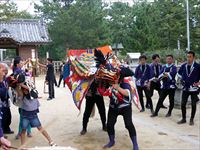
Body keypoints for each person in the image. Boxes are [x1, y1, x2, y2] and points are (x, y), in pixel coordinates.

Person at [104, 67, 139, 150]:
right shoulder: (109, 83)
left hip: (125, 107)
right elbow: (104, 91)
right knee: (109, 124)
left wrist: (118, 88)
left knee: (129, 124)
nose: (114, 78)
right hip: (113, 107)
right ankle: (111, 141)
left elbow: (127, 93)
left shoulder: (125, 83)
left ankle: (135, 144)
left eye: (116, 76)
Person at [17, 81, 56, 146]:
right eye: (24, 90)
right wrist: (19, 85)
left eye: (26, 90)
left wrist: (21, 84)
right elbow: (18, 90)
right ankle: (22, 145)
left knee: (40, 128)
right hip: (25, 116)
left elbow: (31, 88)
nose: (25, 91)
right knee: (23, 131)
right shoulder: (22, 96)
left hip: (33, 115)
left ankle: (50, 141)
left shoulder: (34, 94)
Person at [177, 51, 200, 125]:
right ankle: (183, 118)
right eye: (187, 56)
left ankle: (191, 119)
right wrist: (181, 79)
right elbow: (178, 73)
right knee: (183, 104)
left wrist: (199, 83)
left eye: (190, 57)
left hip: (193, 88)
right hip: (185, 88)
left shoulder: (197, 66)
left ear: (193, 57)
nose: (188, 58)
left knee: (193, 104)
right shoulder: (184, 65)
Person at [12, 57, 32, 139]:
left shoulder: (17, 70)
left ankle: (24, 132)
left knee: (23, 113)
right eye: (21, 62)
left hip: (22, 95)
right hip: (23, 94)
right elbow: (20, 84)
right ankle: (25, 132)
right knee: (25, 113)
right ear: (17, 64)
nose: (22, 63)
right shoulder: (19, 71)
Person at [0, 63, 14, 134]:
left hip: (6, 100)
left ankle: (6, 129)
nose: (5, 72)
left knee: (8, 116)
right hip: (1, 102)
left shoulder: (5, 77)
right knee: (2, 118)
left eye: (5, 70)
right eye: (3, 70)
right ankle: (2, 133)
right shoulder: (1, 79)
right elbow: (2, 92)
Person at [0, 65, 11, 150]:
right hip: (3, 103)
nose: (4, 74)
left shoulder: (4, 80)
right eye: (3, 71)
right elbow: (3, 94)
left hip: (4, 103)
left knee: (6, 117)